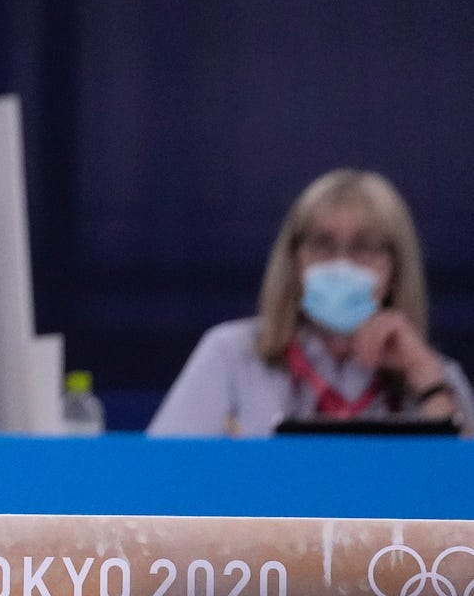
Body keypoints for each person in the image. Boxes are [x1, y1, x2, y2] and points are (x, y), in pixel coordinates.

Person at [149, 168, 470, 437]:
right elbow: (159, 478)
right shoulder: (231, 355)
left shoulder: (436, 376)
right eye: (323, 245)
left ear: (396, 267)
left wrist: (429, 384)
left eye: (364, 247)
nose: (341, 263)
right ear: (294, 260)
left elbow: (460, 493)